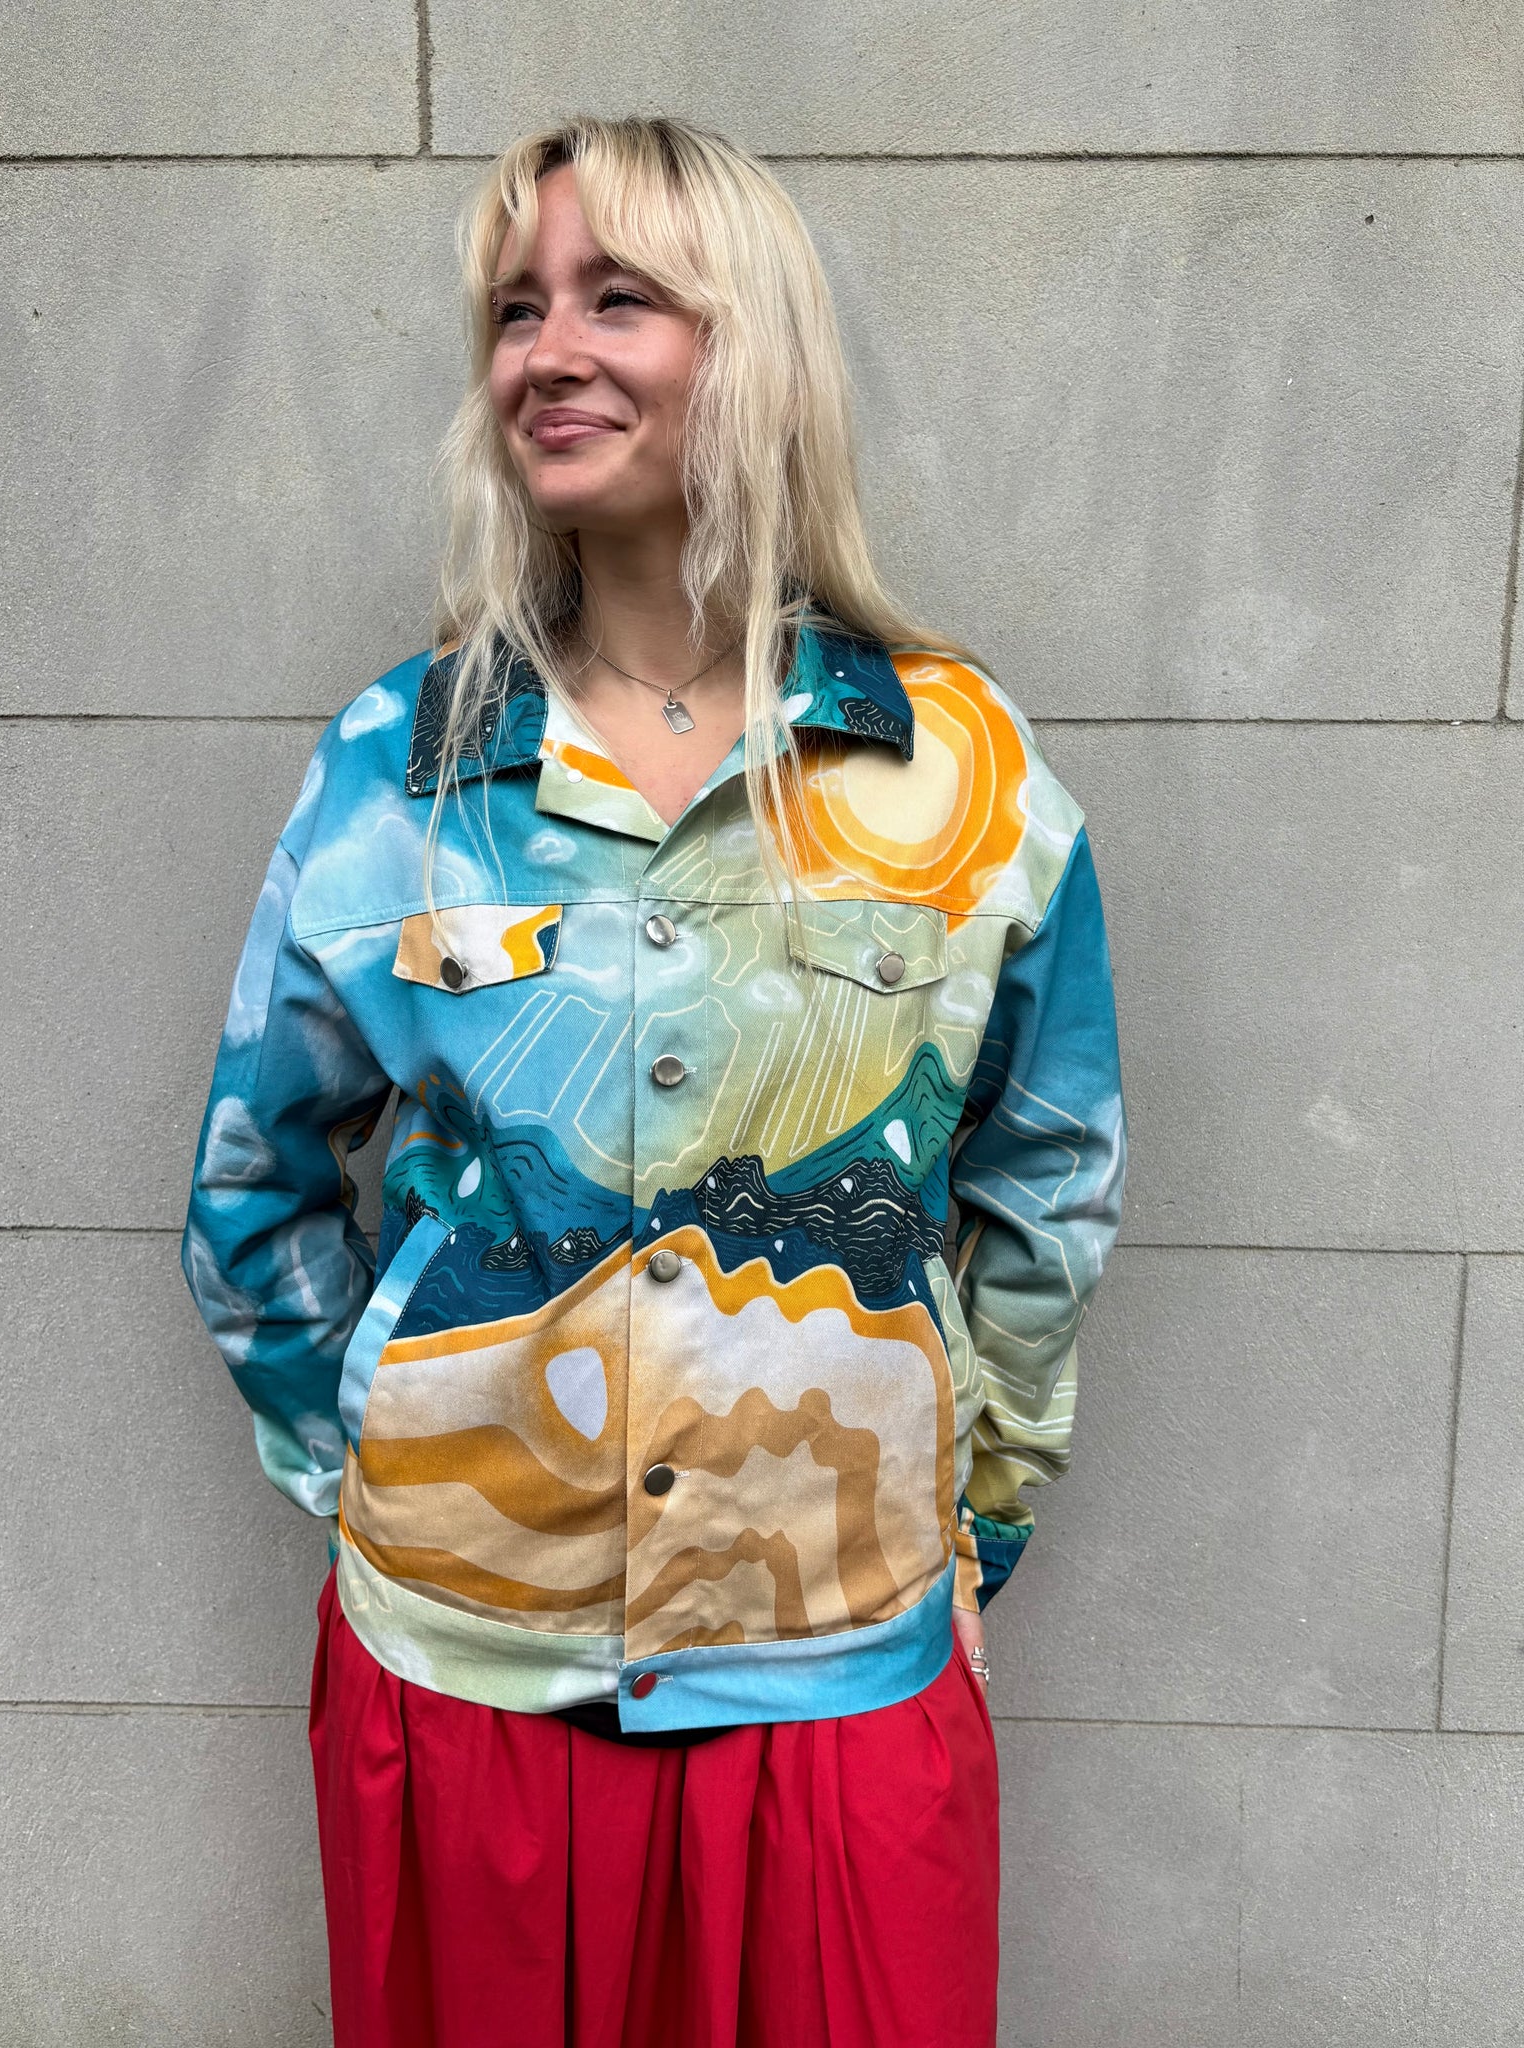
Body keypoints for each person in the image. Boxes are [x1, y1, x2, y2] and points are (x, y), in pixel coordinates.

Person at [181, 112, 1128, 2048]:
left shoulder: (959, 772)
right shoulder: (396, 770)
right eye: (515, 309)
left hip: (839, 1679)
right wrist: (377, 1470)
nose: (549, 350)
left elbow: (1049, 1178)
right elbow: (251, 1184)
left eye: (619, 297)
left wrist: (978, 1527)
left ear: (747, 337)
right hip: (463, 1680)